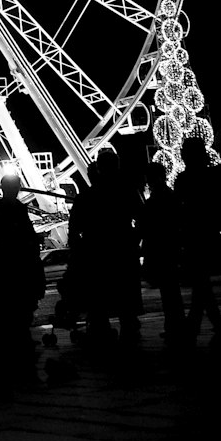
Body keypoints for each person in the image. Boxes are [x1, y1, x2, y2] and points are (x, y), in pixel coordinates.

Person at [66, 147, 142, 351]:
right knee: (126, 299)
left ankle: (101, 333)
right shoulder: (128, 190)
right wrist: (134, 239)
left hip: (97, 253)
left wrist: (79, 251)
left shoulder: (88, 196)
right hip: (123, 249)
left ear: (99, 169)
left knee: (99, 300)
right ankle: (128, 332)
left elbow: (74, 228)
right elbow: (142, 218)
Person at [0, 171, 45, 388]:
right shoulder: (17, 209)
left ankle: (14, 347)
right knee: (20, 311)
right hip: (18, 267)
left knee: (12, 311)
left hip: (8, 268)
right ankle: (21, 346)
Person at [174, 136, 221, 344]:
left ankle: (202, 326)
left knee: (201, 284)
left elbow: (179, 209)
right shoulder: (211, 177)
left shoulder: (183, 180)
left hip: (193, 236)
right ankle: (200, 325)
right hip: (208, 233)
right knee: (201, 284)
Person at [140, 159, 186, 345]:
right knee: (171, 292)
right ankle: (176, 326)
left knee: (169, 293)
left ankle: (175, 326)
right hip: (169, 249)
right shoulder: (170, 197)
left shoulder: (157, 200)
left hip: (161, 250)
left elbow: (147, 225)